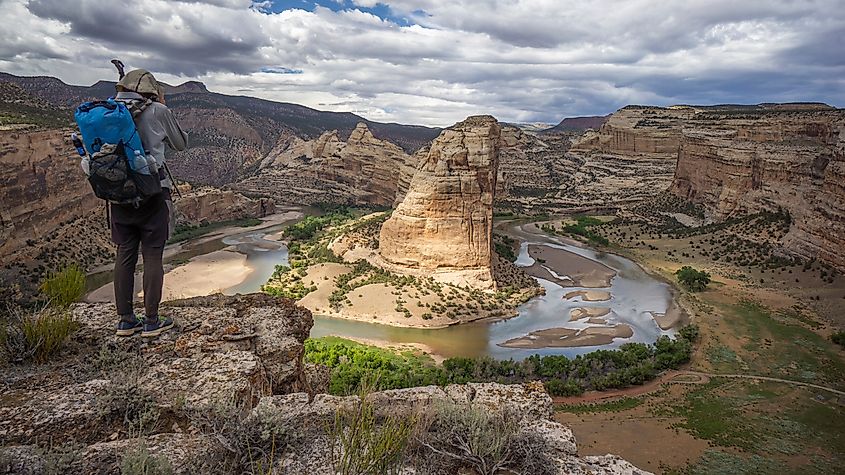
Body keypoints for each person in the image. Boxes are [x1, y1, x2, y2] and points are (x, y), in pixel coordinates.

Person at [110, 69, 188, 337]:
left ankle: (125, 321)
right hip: (153, 192)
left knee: (125, 254)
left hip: (118, 194)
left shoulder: (109, 110)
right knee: (152, 255)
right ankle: (152, 322)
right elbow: (181, 143)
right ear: (152, 91)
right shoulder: (156, 110)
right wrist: (163, 109)